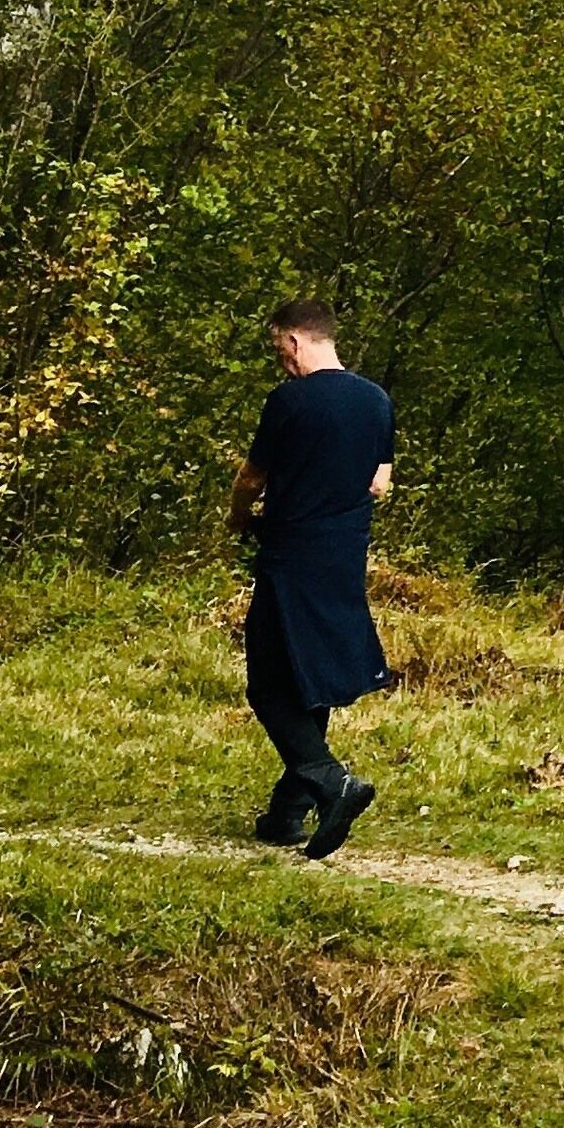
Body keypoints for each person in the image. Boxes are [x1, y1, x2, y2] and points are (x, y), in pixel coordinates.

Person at [229, 299, 394, 858]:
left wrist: (238, 515)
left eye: (280, 351)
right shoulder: (376, 401)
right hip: (345, 556)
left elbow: (252, 477)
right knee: (312, 677)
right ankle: (287, 813)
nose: (282, 363)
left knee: (268, 685)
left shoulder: (290, 401)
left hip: (291, 556)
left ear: (295, 341)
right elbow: (380, 483)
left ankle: (330, 780)